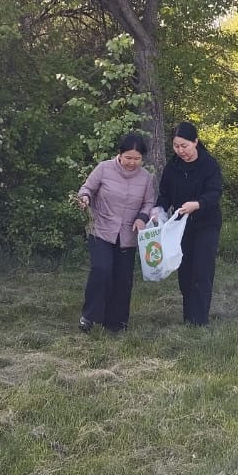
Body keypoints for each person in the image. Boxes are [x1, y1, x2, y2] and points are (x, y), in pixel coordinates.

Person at [76, 132, 157, 334]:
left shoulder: (146, 178)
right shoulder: (104, 168)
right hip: (101, 229)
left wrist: (142, 217)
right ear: (119, 154)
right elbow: (87, 188)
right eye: (128, 157)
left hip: (128, 234)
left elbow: (149, 202)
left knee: (123, 278)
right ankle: (89, 317)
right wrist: (84, 198)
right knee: (102, 270)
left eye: (137, 159)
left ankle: (116, 322)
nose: (132, 162)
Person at [155, 121, 223, 325]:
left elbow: (214, 193)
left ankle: (199, 320)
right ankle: (188, 317)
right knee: (185, 269)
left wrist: (198, 204)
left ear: (195, 142)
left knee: (202, 269)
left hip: (206, 223)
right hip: (181, 226)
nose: (181, 151)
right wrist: (158, 209)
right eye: (176, 146)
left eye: (184, 146)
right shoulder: (172, 167)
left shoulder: (209, 164)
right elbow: (165, 194)